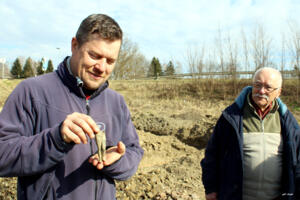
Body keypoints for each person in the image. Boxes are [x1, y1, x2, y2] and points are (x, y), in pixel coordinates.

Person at [0, 14, 144, 200]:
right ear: (75, 45)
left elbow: (134, 152)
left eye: (110, 61)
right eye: (94, 55)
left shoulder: (116, 102)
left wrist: (116, 161)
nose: (102, 67)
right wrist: (56, 139)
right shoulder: (32, 92)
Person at [201, 67, 300, 200]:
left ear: (279, 92)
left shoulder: (288, 123)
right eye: (257, 85)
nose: (261, 91)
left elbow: (297, 160)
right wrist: (211, 188)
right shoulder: (231, 117)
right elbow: (212, 154)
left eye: (268, 87)